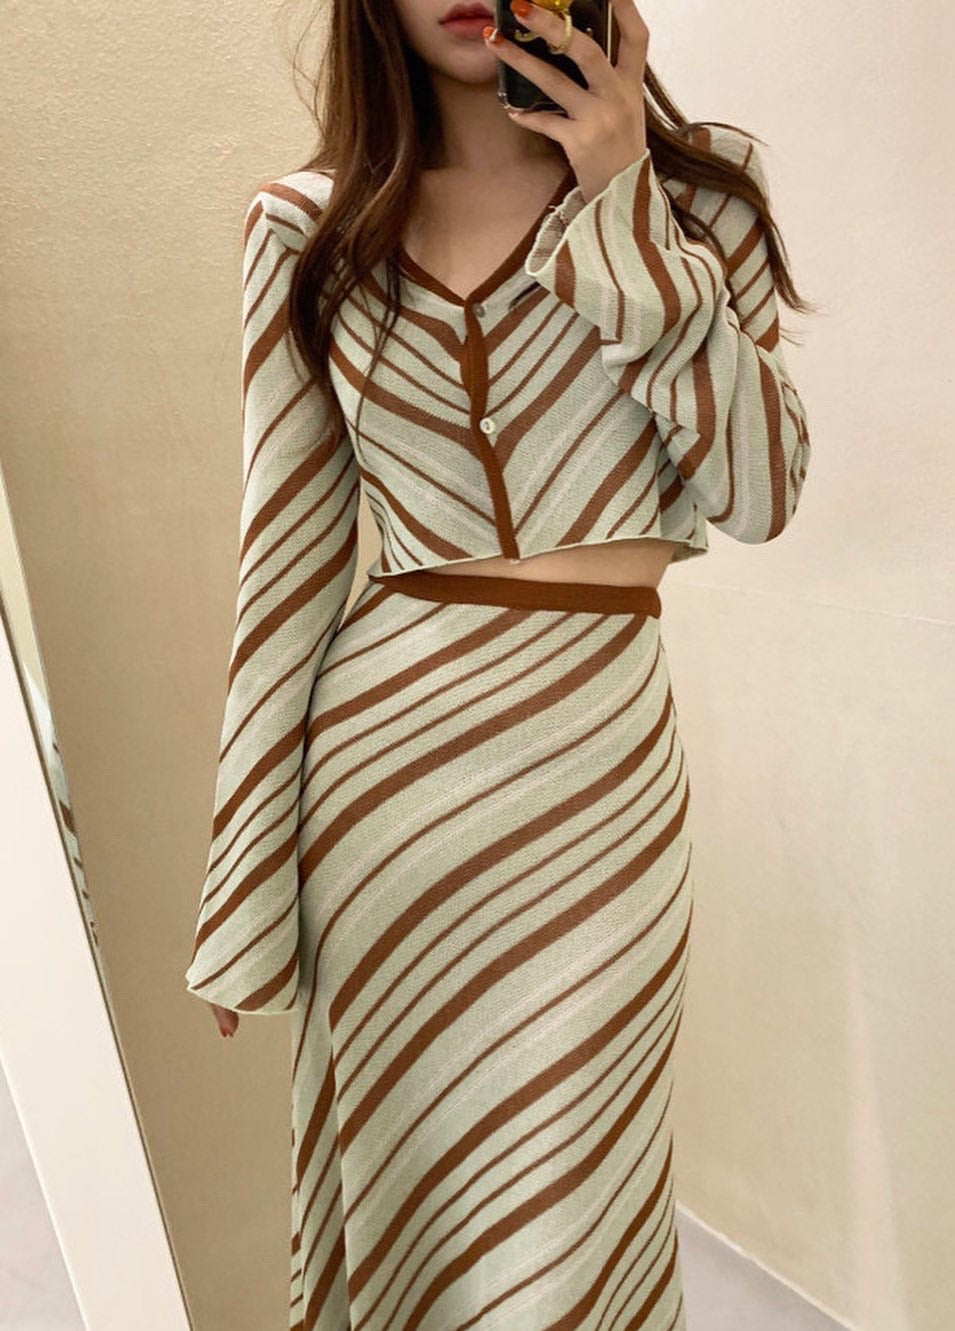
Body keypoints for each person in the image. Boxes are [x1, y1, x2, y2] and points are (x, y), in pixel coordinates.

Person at [184, 0, 812, 1324]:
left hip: (600, 777)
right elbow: (285, 564)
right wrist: (243, 889)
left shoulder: (706, 195)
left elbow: (759, 493)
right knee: (411, 1182)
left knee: (580, 1186)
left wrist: (621, 199)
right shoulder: (305, 228)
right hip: (383, 799)